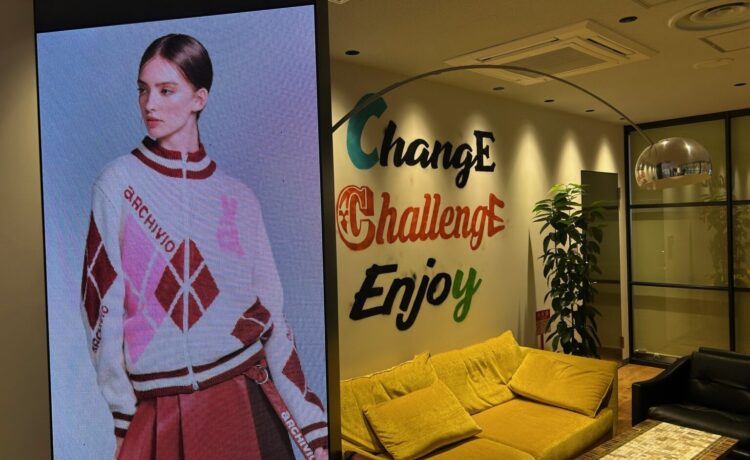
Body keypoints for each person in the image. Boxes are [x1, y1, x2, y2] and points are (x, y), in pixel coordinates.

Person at [80, 34, 328, 460]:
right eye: (143, 90)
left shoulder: (239, 198)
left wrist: (313, 429)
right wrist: (123, 413)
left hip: (246, 396)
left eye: (166, 90)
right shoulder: (117, 184)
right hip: (160, 408)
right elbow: (100, 303)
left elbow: (272, 318)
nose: (149, 104)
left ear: (199, 98)